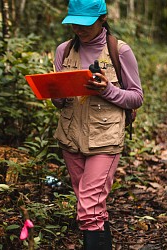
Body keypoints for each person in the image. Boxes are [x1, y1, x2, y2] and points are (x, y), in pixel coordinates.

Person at [51, 0, 143, 249]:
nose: (79, 29)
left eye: (85, 24)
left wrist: (107, 90)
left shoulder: (119, 51)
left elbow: (136, 97)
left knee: (88, 207)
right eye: (74, 23)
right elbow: (61, 103)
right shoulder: (63, 50)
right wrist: (54, 92)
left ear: (102, 19)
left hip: (105, 138)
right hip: (71, 139)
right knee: (90, 206)